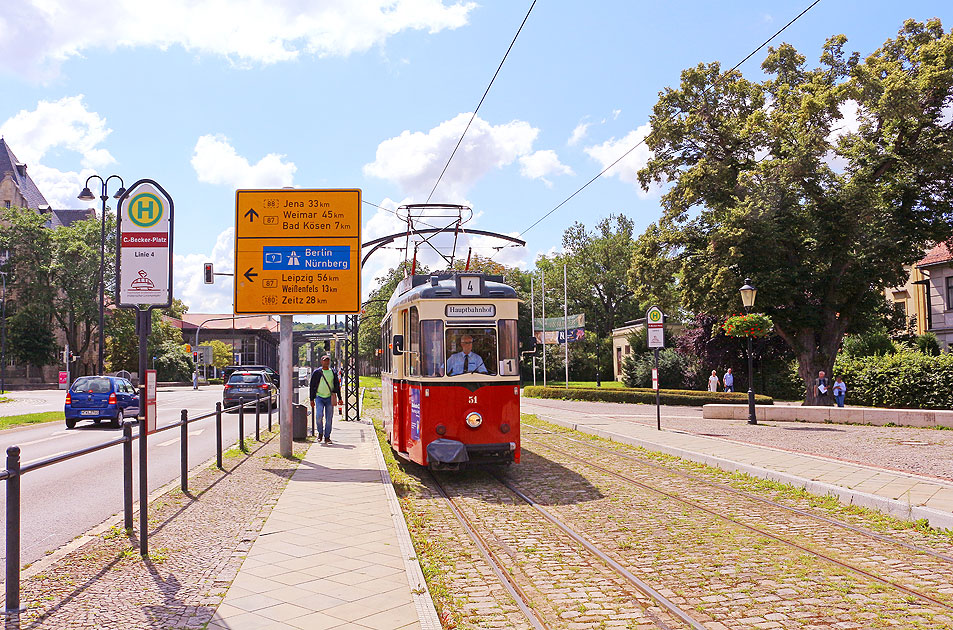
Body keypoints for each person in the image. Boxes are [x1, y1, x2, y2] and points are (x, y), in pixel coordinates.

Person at [309, 355, 340, 444]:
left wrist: (340, 398)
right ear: (321, 362)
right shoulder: (317, 372)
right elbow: (312, 386)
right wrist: (311, 399)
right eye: (324, 360)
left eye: (327, 361)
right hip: (319, 397)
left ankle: (327, 436)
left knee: (329, 418)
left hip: (329, 397)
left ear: (329, 362)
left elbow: (337, 385)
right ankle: (320, 433)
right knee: (319, 416)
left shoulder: (333, 372)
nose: (326, 362)